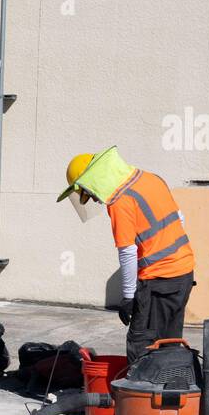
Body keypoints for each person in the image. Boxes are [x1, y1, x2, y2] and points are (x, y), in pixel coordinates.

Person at [58, 146, 195, 362]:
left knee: (142, 345)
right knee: (170, 343)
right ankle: (170, 391)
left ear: (93, 181)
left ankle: (140, 393)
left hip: (159, 281)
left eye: (88, 193)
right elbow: (180, 219)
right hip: (183, 274)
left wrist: (129, 297)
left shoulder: (120, 200)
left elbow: (128, 252)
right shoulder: (151, 178)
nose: (94, 200)